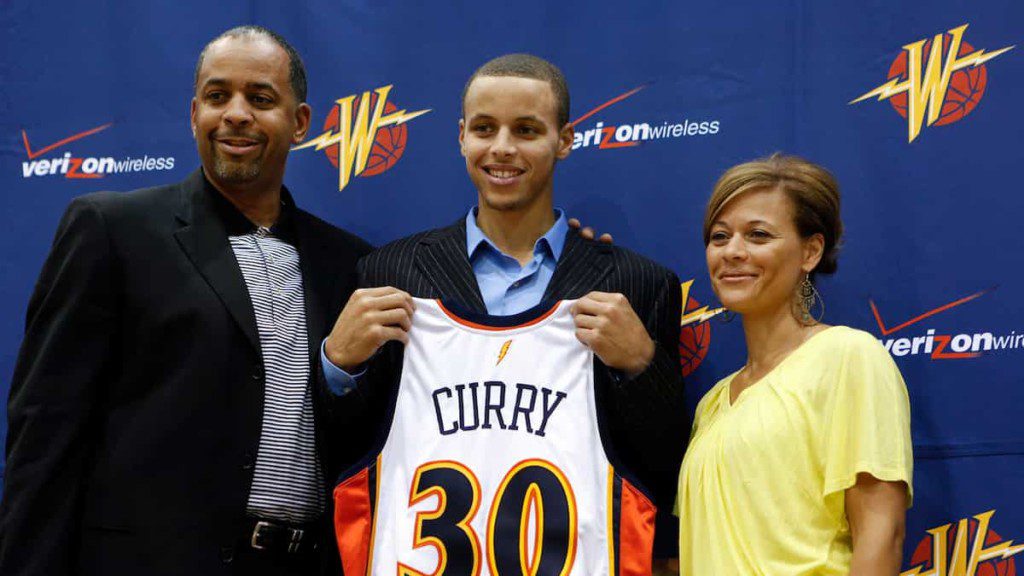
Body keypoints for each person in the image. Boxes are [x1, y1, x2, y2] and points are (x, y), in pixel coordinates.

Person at [0, 26, 372, 576]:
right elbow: (45, 435)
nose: (236, 114)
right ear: (194, 112)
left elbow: (353, 451)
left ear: (300, 123)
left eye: (261, 98)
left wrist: (339, 374)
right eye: (218, 97)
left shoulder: (346, 264)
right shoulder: (112, 230)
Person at [322, 53, 688, 566]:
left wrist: (642, 367)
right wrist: (339, 366)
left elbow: (667, 469)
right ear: (461, 137)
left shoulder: (637, 284)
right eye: (485, 128)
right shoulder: (390, 272)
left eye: (526, 130)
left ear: (564, 140)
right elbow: (344, 450)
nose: (502, 148)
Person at [676, 153, 913, 575]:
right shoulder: (711, 404)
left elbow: (882, 533)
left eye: (758, 235)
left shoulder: (848, 357)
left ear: (810, 251)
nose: (732, 251)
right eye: (719, 236)